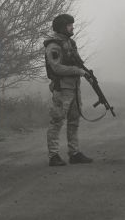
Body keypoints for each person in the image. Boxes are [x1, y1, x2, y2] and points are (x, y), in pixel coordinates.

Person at [44, 13, 93, 167]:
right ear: (62, 27)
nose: (72, 27)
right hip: (62, 89)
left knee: (74, 121)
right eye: (69, 25)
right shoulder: (53, 46)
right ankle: (53, 156)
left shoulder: (70, 43)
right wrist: (77, 71)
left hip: (73, 87)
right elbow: (56, 67)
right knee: (57, 121)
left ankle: (74, 153)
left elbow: (77, 64)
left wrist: (85, 73)